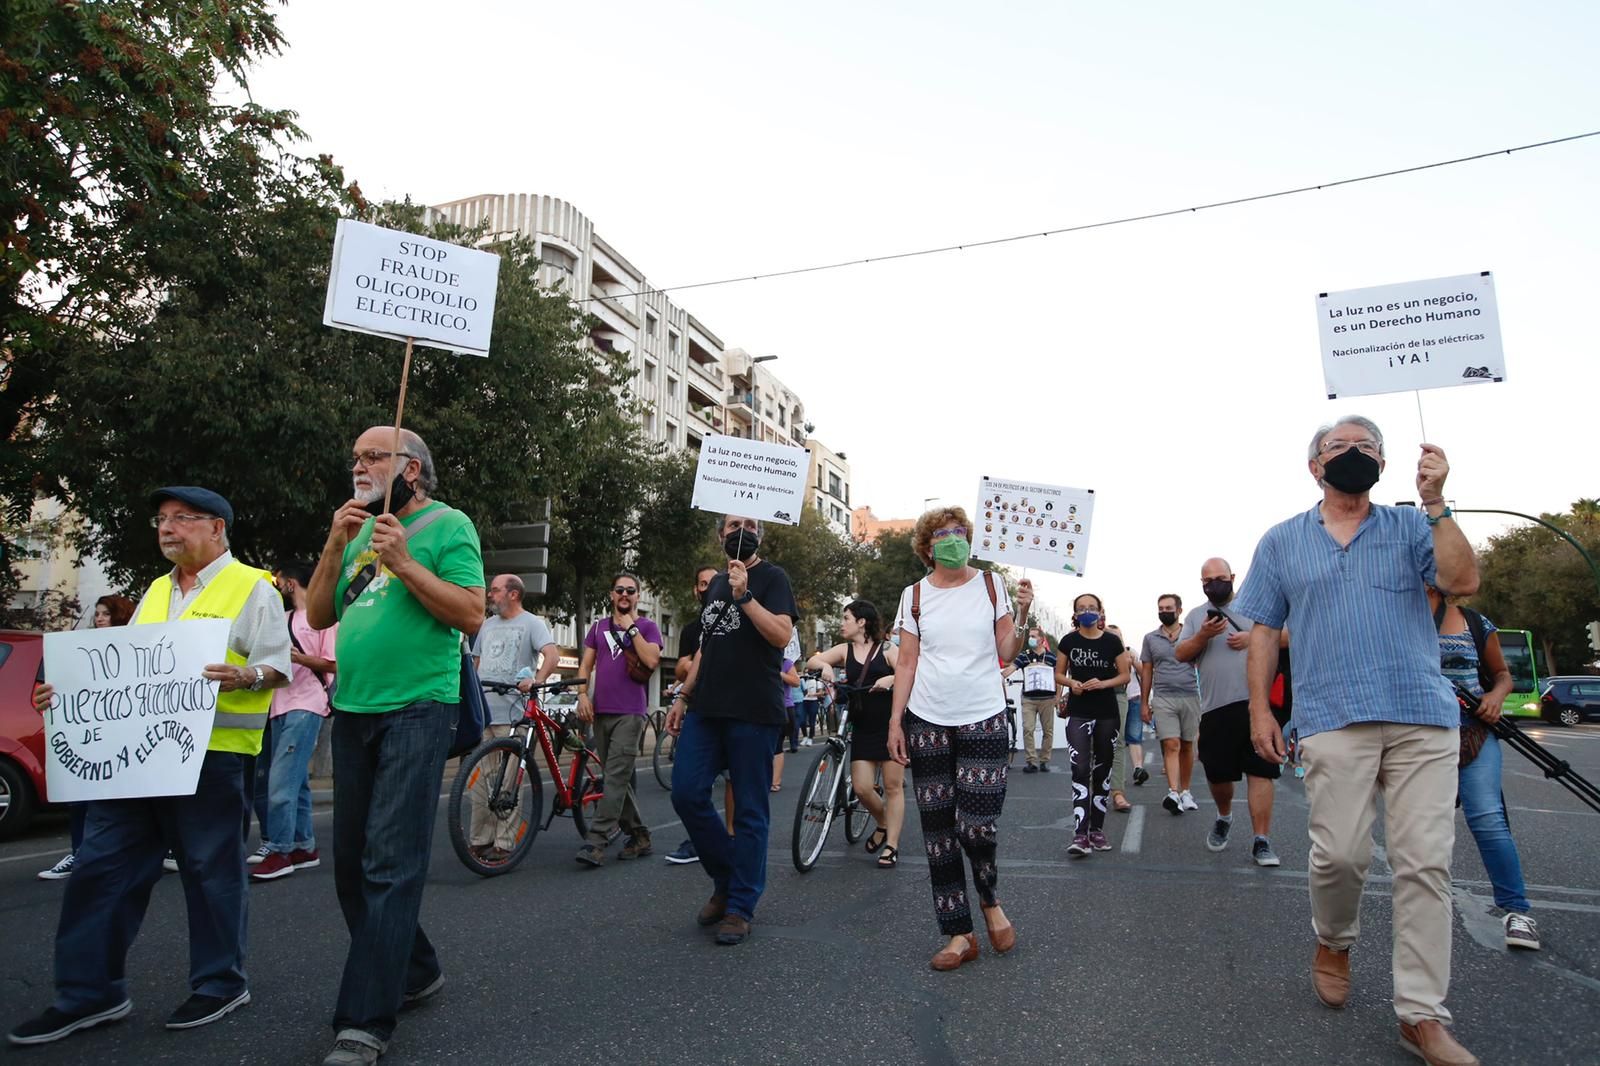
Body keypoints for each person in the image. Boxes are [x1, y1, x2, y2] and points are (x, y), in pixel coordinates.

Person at [1237, 417, 1481, 1066]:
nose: (1354, 455)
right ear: (1314, 466)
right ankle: (1334, 939)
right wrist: (1260, 709)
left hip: (1420, 716)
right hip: (1331, 716)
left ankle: (1422, 1015)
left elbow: (1462, 582)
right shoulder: (1283, 541)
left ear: (1386, 463)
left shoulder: (1410, 528)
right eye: (1339, 448)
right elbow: (1263, 631)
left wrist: (1436, 503)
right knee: (1339, 857)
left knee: (1424, 864)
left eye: (1368, 448)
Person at [9, 487, 289, 1047]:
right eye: (161, 519)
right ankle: (90, 992)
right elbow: (132, 673)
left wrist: (246, 677)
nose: (167, 528)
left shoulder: (253, 586)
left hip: (212, 760)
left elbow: (277, 666)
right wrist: (63, 693)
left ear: (217, 529)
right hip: (137, 759)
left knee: (211, 873)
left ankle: (219, 982)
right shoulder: (158, 590)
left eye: (182, 519)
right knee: (102, 865)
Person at [306, 428, 485, 1066]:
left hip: (418, 707)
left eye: (373, 456)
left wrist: (406, 562)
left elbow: (470, 613)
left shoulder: (448, 525)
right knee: (351, 865)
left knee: (390, 861)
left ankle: (363, 1024)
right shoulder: (356, 531)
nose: (358, 465)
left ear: (411, 468)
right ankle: (416, 967)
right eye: (355, 456)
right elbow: (322, 615)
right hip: (353, 707)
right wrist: (334, 544)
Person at [888, 507, 1029, 971]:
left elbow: (1006, 649)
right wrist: (895, 723)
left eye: (960, 532)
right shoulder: (913, 596)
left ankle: (989, 899)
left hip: (984, 717)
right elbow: (906, 664)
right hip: (926, 720)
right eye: (944, 534)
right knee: (938, 835)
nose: (954, 539)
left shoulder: (991, 586)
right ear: (928, 548)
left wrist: (1023, 614)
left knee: (976, 825)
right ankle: (958, 933)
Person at [665, 515, 798, 946]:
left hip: (754, 711)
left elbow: (780, 636)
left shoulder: (773, 578)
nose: (742, 529)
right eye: (733, 524)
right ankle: (726, 877)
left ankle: (740, 905)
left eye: (750, 523)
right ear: (720, 535)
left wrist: (746, 598)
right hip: (707, 708)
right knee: (686, 792)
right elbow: (708, 644)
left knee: (749, 812)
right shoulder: (716, 583)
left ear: (762, 533)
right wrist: (683, 697)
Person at [1427, 586, 1539, 951]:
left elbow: (1502, 674)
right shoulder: (1393, 616)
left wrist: (1494, 697)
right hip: (1421, 735)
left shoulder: (1475, 622)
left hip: (1474, 730)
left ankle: (1516, 910)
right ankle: (1424, 909)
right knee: (1423, 827)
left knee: (1489, 818)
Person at [1175, 559, 1283, 867]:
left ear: (1233, 577)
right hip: (1215, 707)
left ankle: (1261, 840)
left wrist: (1254, 638)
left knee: (1261, 771)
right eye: (1207, 580)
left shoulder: (1258, 607)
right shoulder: (1197, 616)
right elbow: (1181, 653)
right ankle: (1224, 815)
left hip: (1257, 705)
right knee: (1218, 774)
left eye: (1220, 578)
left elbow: (1289, 636)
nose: (1214, 584)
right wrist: (1203, 636)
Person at [38, 594, 136, 881]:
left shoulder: (133, 649)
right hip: (90, 736)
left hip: (122, 737)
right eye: (98, 613)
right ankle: (80, 852)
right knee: (81, 795)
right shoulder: (81, 648)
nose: (99, 618)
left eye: (106, 613)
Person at [249, 562, 337, 882]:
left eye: (279, 578)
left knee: (281, 781)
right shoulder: (281, 619)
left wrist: (298, 658)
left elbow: (333, 663)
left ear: (291, 582)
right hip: (278, 705)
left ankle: (279, 850)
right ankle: (303, 846)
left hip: (307, 704)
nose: (276, 583)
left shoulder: (323, 619)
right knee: (296, 781)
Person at [807, 600, 903, 868]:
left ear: (861, 622)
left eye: (846, 617)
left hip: (889, 724)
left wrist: (891, 679)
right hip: (861, 725)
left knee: (894, 787)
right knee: (861, 787)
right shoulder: (844, 650)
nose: (842, 622)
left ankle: (892, 845)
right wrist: (824, 666)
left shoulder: (887, 649)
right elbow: (812, 659)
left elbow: (908, 672)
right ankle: (883, 822)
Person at [575, 572, 662, 866]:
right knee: (618, 779)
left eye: (630, 590)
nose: (624, 594)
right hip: (601, 712)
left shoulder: (648, 627)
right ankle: (639, 835)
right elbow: (585, 664)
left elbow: (651, 661)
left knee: (612, 777)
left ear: (637, 596)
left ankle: (596, 841)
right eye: (619, 590)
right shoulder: (598, 627)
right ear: (611, 595)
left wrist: (632, 629)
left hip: (630, 713)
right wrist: (583, 695)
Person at [472, 573, 558, 863]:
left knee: (509, 783)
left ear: (513, 594)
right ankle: (479, 839)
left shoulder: (533, 623)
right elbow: (476, 664)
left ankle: (504, 842)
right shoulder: (486, 626)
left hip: (515, 715)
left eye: (494, 590)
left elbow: (552, 655)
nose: (489, 595)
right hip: (486, 714)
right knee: (484, 780)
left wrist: (536, 679)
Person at [1055, 594, 1131, 855]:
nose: (1087, 612)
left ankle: (1097, 831)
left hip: (1107, 712)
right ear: (1075, 614)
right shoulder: (1068, 641)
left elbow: (1125, 675)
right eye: (1081, 608)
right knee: (1080, 769)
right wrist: (1072, 684)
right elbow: (1059, 673)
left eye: (1091, 608)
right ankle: (1080, 835)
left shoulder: (1112, 641)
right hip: (1078, 712)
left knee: (1103, 770)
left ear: (1100, 612)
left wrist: (1103, 683)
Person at [664, 565, 718, 866]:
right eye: (701, 583)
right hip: (699, 708)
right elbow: (684, 667)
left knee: (735, 783)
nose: (707, 588)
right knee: (689, 787)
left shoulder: (740, 616)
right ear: (695, 590)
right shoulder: (691, 630)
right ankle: (701, 840)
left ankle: (731, 839)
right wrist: (682, 697)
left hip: (736, 711)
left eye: (713, 582)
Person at [1141, 595, 1200, 816]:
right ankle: (1173, 792)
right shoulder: (1150, 638)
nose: (1164, 611)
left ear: (1179, 610)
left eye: (1168, 608)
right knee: (1171, 743)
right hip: (1163, 697)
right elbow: (1147, 670)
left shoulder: (1192, 635)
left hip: (1190, 695)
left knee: (1187, 745)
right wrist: (1145, 703)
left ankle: (1186, 791)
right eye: (1160, 608)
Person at [1004, 626, 1057, 774]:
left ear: (1041, 639)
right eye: (1030, 636)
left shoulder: (1052, 658)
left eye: (1034, 636)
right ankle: (1031, 761)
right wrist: (1000, 677)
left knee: (1048, 731)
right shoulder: (1024, 656)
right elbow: (1011, 668)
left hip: (1047, 699)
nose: (1031, 639)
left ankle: (1045, 760)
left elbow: (1058, 678)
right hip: (1028, 699)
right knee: (1028, 729)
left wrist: (1057, 697)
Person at [1105, 622, 1145, 811]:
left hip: (1121, 696)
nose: (1113, 638)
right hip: (1095, 697)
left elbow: (1133, 675)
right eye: (1109, 635)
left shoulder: (1127, 653)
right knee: (1092, 745)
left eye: (1116, 636)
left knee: (1120, 742)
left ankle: (1118, 793)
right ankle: (1092, 792)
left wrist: (1131, 660)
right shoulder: (1096, 646)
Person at [771, 657, 802, 789]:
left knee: (777, 745)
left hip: (783, 707)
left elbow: (796, 681)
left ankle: (775, 782)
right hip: (762, 707)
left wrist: (780, 673)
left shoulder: (785, 663)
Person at [800, 669, 822, 745]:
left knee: (812, 721)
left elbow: (821, 693)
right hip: (804, 701)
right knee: (802, 720)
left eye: (809, 672)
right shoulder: (803, 680)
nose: (807, 673)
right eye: (806, 672)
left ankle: (810, 738)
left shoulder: (817, 681)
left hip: (813, 702)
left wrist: (813, 695)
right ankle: (805, 737)